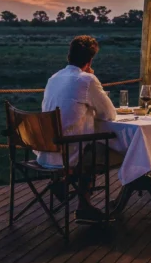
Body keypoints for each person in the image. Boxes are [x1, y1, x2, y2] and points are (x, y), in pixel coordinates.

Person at [37, 35, 119, 222]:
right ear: (90, 60)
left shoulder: (54, 78)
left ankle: (65, 182)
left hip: (46, 150)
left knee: (90, 147)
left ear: (69, 56)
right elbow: (109, 115)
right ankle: (84, 205)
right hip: (69, 152)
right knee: (116, 150)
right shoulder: (87, 80)